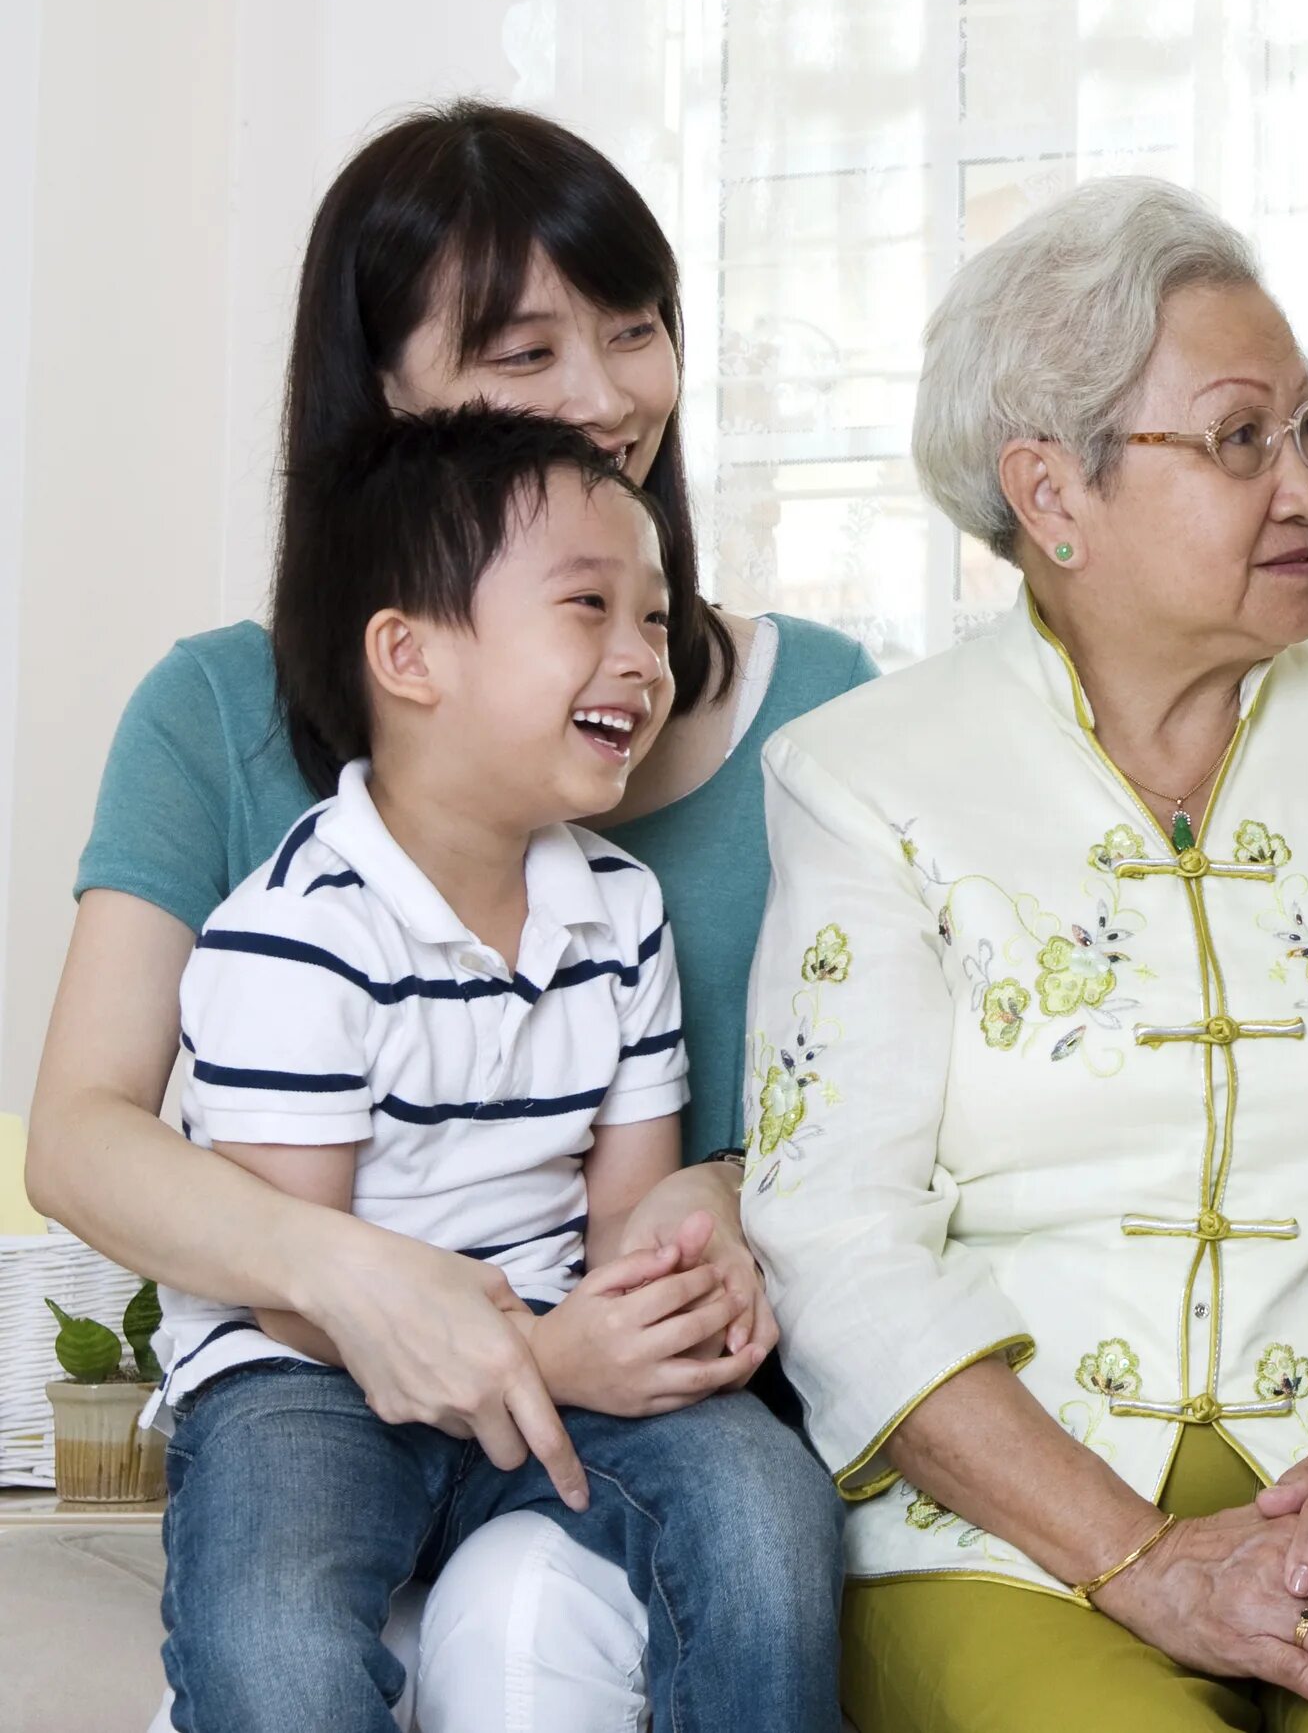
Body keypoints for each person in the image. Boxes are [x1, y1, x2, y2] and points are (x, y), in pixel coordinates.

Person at [737, 175, 1308, 1733]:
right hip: (1005, 1551)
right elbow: (837, 1244)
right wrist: (1144, 1560)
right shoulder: (864, 780)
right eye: (1245, 439)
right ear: (1051, 494)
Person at [22, 101, 879, 1729]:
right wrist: (355, 1279)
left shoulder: (813, 720)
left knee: (566, 1609)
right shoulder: (222, 732)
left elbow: (899, 1115)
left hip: (627, 1367)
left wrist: (729, 1197)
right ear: (390, 391)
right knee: (287, 1625)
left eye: (635, 332)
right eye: (524, 347)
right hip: (317, 1379)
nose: (607, 395)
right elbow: (82, 1132)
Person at [151, 406, 840, 1732]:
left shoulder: (620, 913)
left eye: (655, 618)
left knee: (765, 1513)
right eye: (588, 607)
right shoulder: (298, 933)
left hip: (555, 1344)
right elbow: (299, 1299)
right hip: (311, 1385)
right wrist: (553, 1359)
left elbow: (624, 1223)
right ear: (408, 655)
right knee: (277, 1646)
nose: (641, 657)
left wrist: (682, 1279)